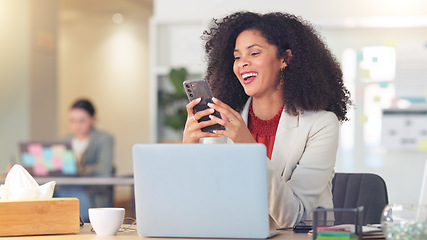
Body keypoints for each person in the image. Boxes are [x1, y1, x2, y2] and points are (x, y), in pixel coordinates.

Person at [183, 12, 352, 228]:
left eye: (254, 53)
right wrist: (188, 149)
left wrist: (248, 146)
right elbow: (201, 204)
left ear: (285, 59)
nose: (242, 63)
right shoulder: (224, 121)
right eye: (237, 57)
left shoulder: (322, 124)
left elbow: (294, 216)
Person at [54, 99, 115, 222]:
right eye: (73, 121)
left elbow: (104, 168)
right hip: (65, 190)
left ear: (93, 119)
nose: (77, 125)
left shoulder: (104, 139)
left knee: (71, 204)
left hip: (90, 192)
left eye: (82, 121)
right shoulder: (65, 139)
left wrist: (78, 169)